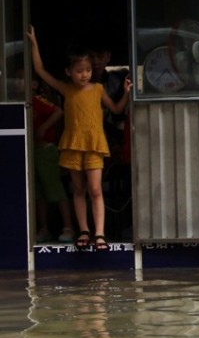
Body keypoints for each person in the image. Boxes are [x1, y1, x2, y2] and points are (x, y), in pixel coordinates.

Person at [25, 26, 132, 252]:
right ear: (68, 72)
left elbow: (115, 109)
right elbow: (40, 70)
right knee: (78, 189)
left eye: (87, 70)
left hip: (93, 145)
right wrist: (34, 44)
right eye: (79, 71)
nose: (84, 74)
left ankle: (99, 233)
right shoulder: (65, 89)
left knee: (95, 189)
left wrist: (126, 93)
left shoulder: (98, 89)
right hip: (73, 144)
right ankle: (84, 231)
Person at [27, 69, 75, 243]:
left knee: (55, 189)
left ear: (34, 84)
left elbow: (58, 111)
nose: (16, 84)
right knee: (38, 193)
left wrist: (43, 128)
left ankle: (68, 226)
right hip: (32, 151)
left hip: (46, 151)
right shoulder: (25, 102)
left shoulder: (36, 101)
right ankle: (44, 228)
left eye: (20, 79)